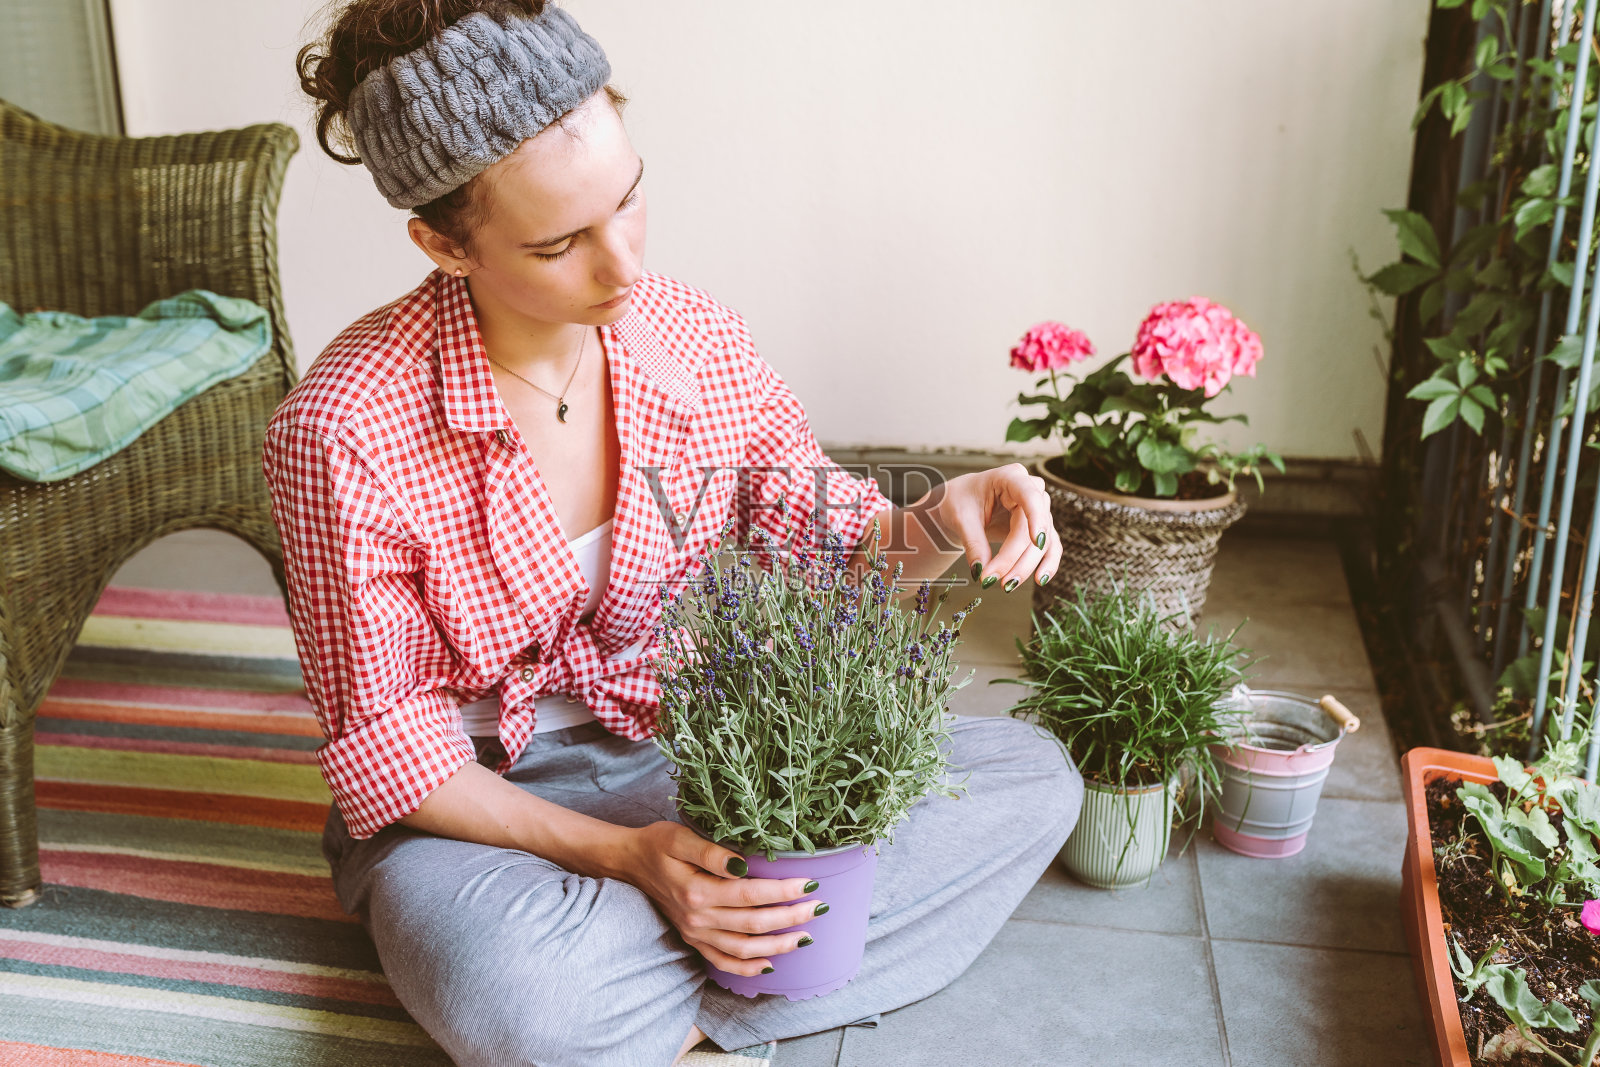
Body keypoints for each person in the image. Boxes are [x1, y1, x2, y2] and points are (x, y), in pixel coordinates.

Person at [272, 2, 1084, 1064]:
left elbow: (831, 535)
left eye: (630, 197)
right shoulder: (342, 427)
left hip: (696, 756)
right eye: (560, 242)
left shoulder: (694, 338)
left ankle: (673, 1003)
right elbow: (390, 750)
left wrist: (942, 515)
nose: (622, 268)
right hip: (485, 816)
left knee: (1032, 780)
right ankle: (756, 959)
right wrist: (636, 858)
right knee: (517, 991)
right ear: (441, 242)